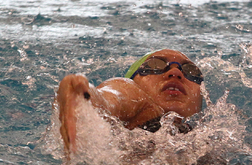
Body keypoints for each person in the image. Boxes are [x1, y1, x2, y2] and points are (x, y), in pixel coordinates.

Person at [57, 49, 204, 154]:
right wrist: (82, 100)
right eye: (154, 66)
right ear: (133, 81)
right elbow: (111, 98)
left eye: (191, 71)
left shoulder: (210, 135)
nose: (176, 73)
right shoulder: (139, 99)